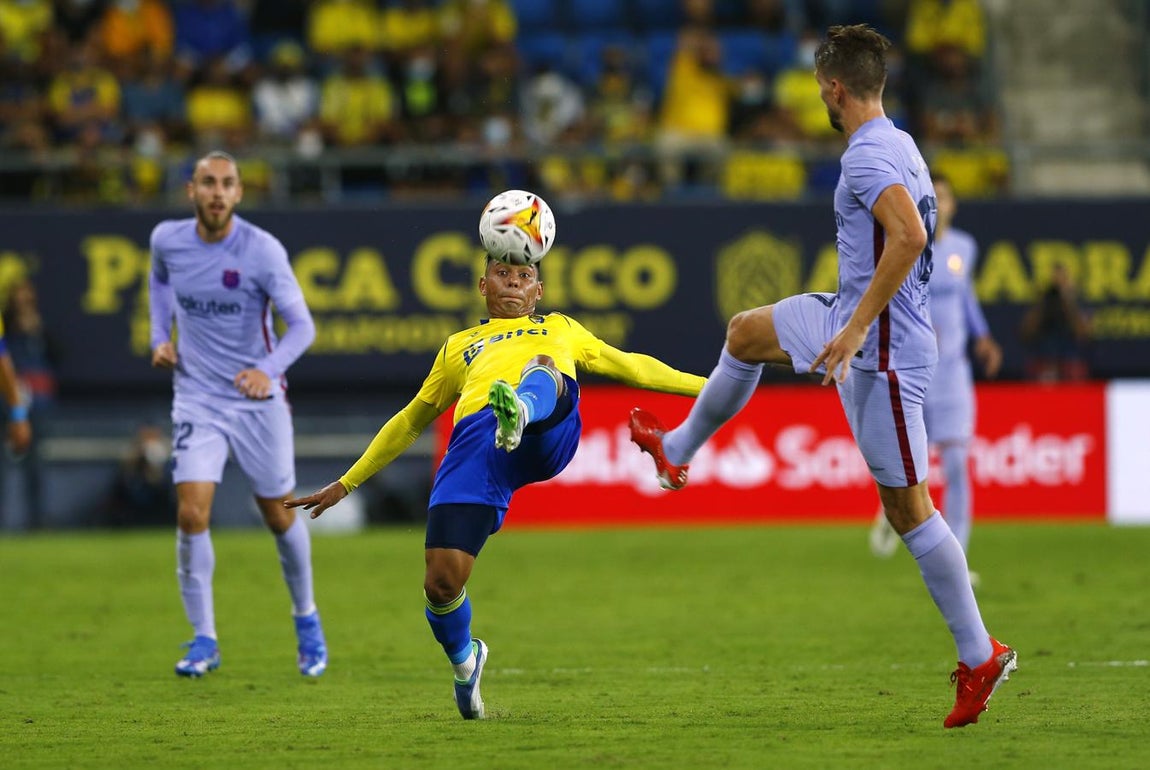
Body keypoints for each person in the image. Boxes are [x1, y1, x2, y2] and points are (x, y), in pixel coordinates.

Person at [628, 25, 1016, 729]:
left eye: (818, 86)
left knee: (908, 511)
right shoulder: (899, 142)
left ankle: (980, 652)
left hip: (887, 353)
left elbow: (910, 237)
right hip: (849, 315)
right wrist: (853, 314)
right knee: (746, 332)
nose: (817, 96)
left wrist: (861, 322)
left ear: (834, 88)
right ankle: (677, 452)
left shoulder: (869, 157)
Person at [285, 248, 706, 720]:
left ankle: (521, 410)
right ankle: (467, 663)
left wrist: (716, 388)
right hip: (477, 447)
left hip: (546, 429)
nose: (512, 282)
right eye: (501, 274)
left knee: (544, 367)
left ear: (538, 291)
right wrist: (347, 482)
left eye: (524, 275)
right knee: (441, 582)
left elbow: (633, 366)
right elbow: (410, 421)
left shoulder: (559, 329)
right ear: (483, 287)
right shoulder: (457, 347)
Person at [149, 151, 325, 678]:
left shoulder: (262, 251)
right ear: (192, 190)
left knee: (279, 514)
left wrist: (267, 370)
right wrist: (161, 337)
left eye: (227, 184)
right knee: (191, 513)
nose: (217, 192)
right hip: (198, 396)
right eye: (208, 183)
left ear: (240, 193)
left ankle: (307, 620)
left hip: (256, 401)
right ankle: (204, 639)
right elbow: (159, 282)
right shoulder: (167, 240)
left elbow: (302, 327)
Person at [869, 173, 1002, 571]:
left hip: (954, 373)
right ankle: (892, 512)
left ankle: (957, 558)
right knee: (910, 462)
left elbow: (966, 296)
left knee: (958, 463)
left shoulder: (965, 247)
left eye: (946, 197)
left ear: (953, 204)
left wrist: (982, 336)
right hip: (914, 368)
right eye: (935, 197)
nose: (940, 204)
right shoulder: (908, 244)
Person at [1019, 262, 1091, 382]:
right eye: (1056, 277)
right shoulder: (1045, 299)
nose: (1059, 281)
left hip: (1069, 357)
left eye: (1063, 277)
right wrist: (1041, 302)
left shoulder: (1076, 299)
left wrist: (1068, 298)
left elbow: (1084, 334)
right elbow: (1026, 331)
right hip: (1045, 356)